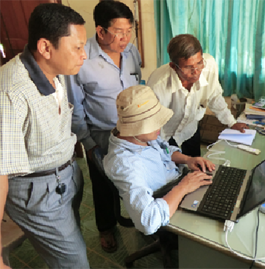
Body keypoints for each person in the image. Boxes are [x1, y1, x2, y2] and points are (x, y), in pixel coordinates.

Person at [0, 3, 89, 269]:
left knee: (71, 245)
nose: (84, 55)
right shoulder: (11, 93)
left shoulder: (53, 71)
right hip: (37, 192)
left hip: (66, 175)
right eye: (77, 47)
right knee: (76, 262)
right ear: (45, 47)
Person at [65, 0, 142, 253]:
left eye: (130, 30)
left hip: (133, 134)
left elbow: (137, 89)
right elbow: (74, 105)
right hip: (101, 136)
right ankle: (106, 228)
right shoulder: (81, 58)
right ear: (101, 31)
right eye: (120, 32)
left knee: (133, 178)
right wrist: (88, 143)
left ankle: (138, 220)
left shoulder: (131, 52)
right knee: (103, 186)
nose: (126, 37)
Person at [103, 85, 214, 235]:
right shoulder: (124, 164)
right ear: (135, 127)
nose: (160, 125)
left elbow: (165, 151)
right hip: (170, 201)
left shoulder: (142, 137)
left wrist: (188, 159)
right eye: (153, 123)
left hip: (179, 184)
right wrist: (183, 187)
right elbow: (148, 222)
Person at [147, 34, 247, 157]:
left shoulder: (208, 65)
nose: (196, 72)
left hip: (190, 127)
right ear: (173, 66)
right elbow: (152, 124)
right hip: (165, 133)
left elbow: (214, 96)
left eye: (199, 63)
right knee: (171, 170)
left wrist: (231, 122)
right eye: (188, 67)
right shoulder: (158, 86)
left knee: (195, 164)